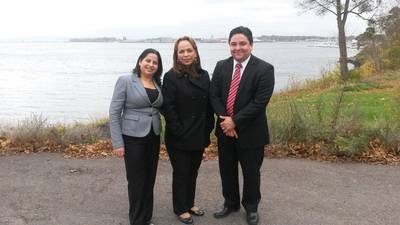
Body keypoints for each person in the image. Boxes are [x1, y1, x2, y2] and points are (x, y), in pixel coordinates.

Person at [209, 26, 275, 225]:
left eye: (242, 43)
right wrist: (225, 121)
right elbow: (214, 95)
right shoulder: (221, 66)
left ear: (251, 45)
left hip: (251, 133)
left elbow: (259, 102)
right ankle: (231, 203)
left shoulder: (265, 69)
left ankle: (251, 207)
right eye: (233, 44)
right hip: (225, 131)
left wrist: (234, 121)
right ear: (229, 45)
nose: (238, 48)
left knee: (251, 173)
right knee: (226, 170)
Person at [162, 36, 214, 225]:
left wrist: (209, 127)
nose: (185, 54)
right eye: (181, 51)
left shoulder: (204, 74)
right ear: (176, 55)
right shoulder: (170, 76)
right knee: (181, 172)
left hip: (199, 133)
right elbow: (168, 108)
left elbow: (209, 105)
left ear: (195, 52)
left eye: (188, 50)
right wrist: (179, 130)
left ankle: (190, 203)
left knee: (193, 171)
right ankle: (180, 208)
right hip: (179, 135)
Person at [109, 48, 163, 225]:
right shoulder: (125, 80)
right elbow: (114, 113)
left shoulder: (157, 83)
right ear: (140, 61)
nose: (151, 64)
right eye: (147, 60)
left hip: (153, 136)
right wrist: (118, 143)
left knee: (149, 179)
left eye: (155, 62)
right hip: (132, 138)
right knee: (136, 181)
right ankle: (137, 220)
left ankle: (146, 218)